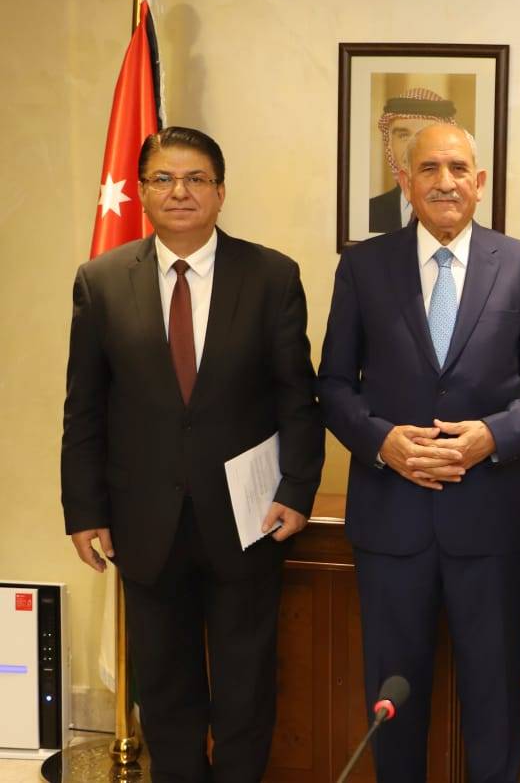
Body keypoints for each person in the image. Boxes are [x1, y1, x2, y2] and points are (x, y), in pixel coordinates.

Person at [61, 126, 325, 782]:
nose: (180, 191)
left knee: (245, 689)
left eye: (196, 179)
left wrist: (297, 489)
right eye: (164, 178)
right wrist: (84, 510)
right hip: (144, 523)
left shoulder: (270, 277)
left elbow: (298, 397)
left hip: (247, 518)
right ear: (142, 192)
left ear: (220, 191)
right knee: (165, 693)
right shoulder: (101, 282)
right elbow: (84, 407)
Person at [318, 121, 520, 782]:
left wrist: (492, 436)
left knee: (493, 698)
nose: (445, 182)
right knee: (392, 700)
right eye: (428, 168)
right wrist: (383, 442)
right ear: (405, 181)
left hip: (488, 522)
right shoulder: (363, 267)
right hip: (391, 521)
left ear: (480, 182)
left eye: (459, 169)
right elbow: (334, 385)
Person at [369, 87, 457, 233]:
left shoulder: (461, 210)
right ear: (389, 144)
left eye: (424, 136)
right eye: (403, 136)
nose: (412, 149)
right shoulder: (370, 212)